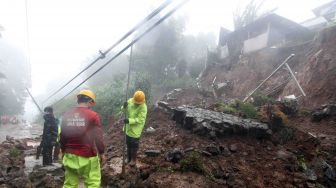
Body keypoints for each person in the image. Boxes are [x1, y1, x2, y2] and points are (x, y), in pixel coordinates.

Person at [60, 89, 105, 188]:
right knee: (93, 183)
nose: (91, 106)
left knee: (69, 184)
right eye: (92, 103)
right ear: (90, 101)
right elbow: (98, 136)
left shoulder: (67, 114)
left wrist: (63, 151)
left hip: (70, 155)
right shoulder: (93, 115)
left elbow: (63, 135)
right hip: (88, 156)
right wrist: (101, 153)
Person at [123, 90, 148, 167]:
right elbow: (124, 111)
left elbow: (140, 120)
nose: (136, 104)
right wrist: (124, 106)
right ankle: (128, 158)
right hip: (128, 128)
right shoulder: (130, 101)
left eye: (138, 103)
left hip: (136, 130)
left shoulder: (143, 107)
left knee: (134, 146)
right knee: (128, 144)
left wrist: (129, 121)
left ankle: (133, 160)